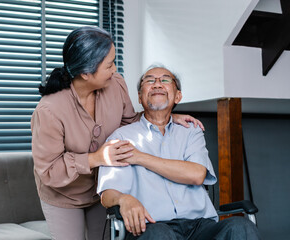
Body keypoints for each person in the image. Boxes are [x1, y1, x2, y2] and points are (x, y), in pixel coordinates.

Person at [31, 27, 204, 240]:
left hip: (101, 190)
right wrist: (96, 158)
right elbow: (49, 170)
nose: (114, 69)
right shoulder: (49, 110)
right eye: (109, 65)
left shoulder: (115, 84)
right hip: (64, 195)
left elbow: (129, 122)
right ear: (86, 73)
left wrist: (165, 115)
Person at [97, 65, 261, 240]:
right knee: (160, 234)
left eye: (165, 80)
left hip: (200, 226)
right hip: (152, 226)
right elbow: (108, 194)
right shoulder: (121, 137)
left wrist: (140, 157)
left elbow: (197, 174)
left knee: (240, 226)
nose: (157, 84)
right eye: (150, 80)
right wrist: (123, 199)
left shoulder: (191, 131)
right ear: (139, 97)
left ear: (178, 96)